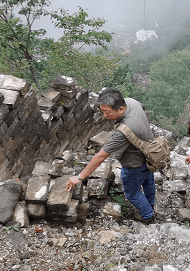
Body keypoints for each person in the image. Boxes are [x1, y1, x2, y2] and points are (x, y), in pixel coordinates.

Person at [65, 88, 156, 222]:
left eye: (107, 112)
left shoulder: (124, 131)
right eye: (102, 111)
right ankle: (150, 203)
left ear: (119, 109)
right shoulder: (132, 103)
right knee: (148, 182)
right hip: (150, 157)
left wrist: (80, 177)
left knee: (132, 193)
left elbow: (101, 156)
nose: (104, 116)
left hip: (134, 164)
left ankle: (148, 215)